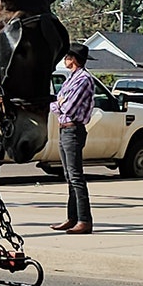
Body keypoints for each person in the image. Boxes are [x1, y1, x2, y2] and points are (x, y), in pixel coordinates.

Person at [50, 42, 95, 234]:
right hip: (64, 129)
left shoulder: (84, 79)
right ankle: (72, 217)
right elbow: (55, 105)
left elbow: (68, 107)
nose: (65, 60)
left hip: (73, 130)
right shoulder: (71, 79)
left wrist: (60, 103)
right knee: (69, 176)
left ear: (74, 59)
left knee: (76, 176)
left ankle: (85, 220)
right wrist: (60, 102)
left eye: (67, 57)